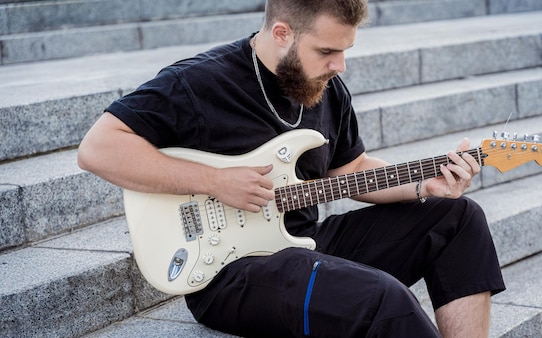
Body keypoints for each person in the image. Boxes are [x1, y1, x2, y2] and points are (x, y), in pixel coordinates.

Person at [77, 0, 505, 336]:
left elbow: (349, 167)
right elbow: (97, 148)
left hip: (303, 244)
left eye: (345, 50)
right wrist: (214, 181)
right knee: (380, 299)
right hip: (228, 274)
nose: (340, 66)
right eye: (327, 51)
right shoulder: (198, 83)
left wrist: (422, 184)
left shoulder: (327, 87)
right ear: (282, 33)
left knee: (460, 219)